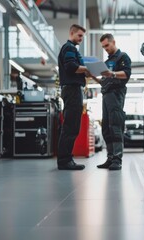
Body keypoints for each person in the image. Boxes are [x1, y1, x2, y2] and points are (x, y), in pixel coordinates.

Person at [92, 33, 131, 170]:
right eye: (103, 47)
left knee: (115, 126)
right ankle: (110, 158)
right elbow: (104, 82)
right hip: (106, 94)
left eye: (107, 45)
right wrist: (93, 75)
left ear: (113, 42)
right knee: (106, 128)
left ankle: (117, 159)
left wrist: (112, 73)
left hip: (116, 94)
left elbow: (126, 74)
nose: (105, 49)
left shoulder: (123, 57)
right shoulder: (107, 61)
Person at [57, 24, 90, 170]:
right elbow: (71, 67)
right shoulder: (69, 48)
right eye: (80, 36)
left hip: (71, 89)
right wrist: (88, 68)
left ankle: (65, 159)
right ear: (72, 33)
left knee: (71, 126)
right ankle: (64, 161)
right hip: (72, 90)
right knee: (71, 126)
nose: (81, 39)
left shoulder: (70, 48)